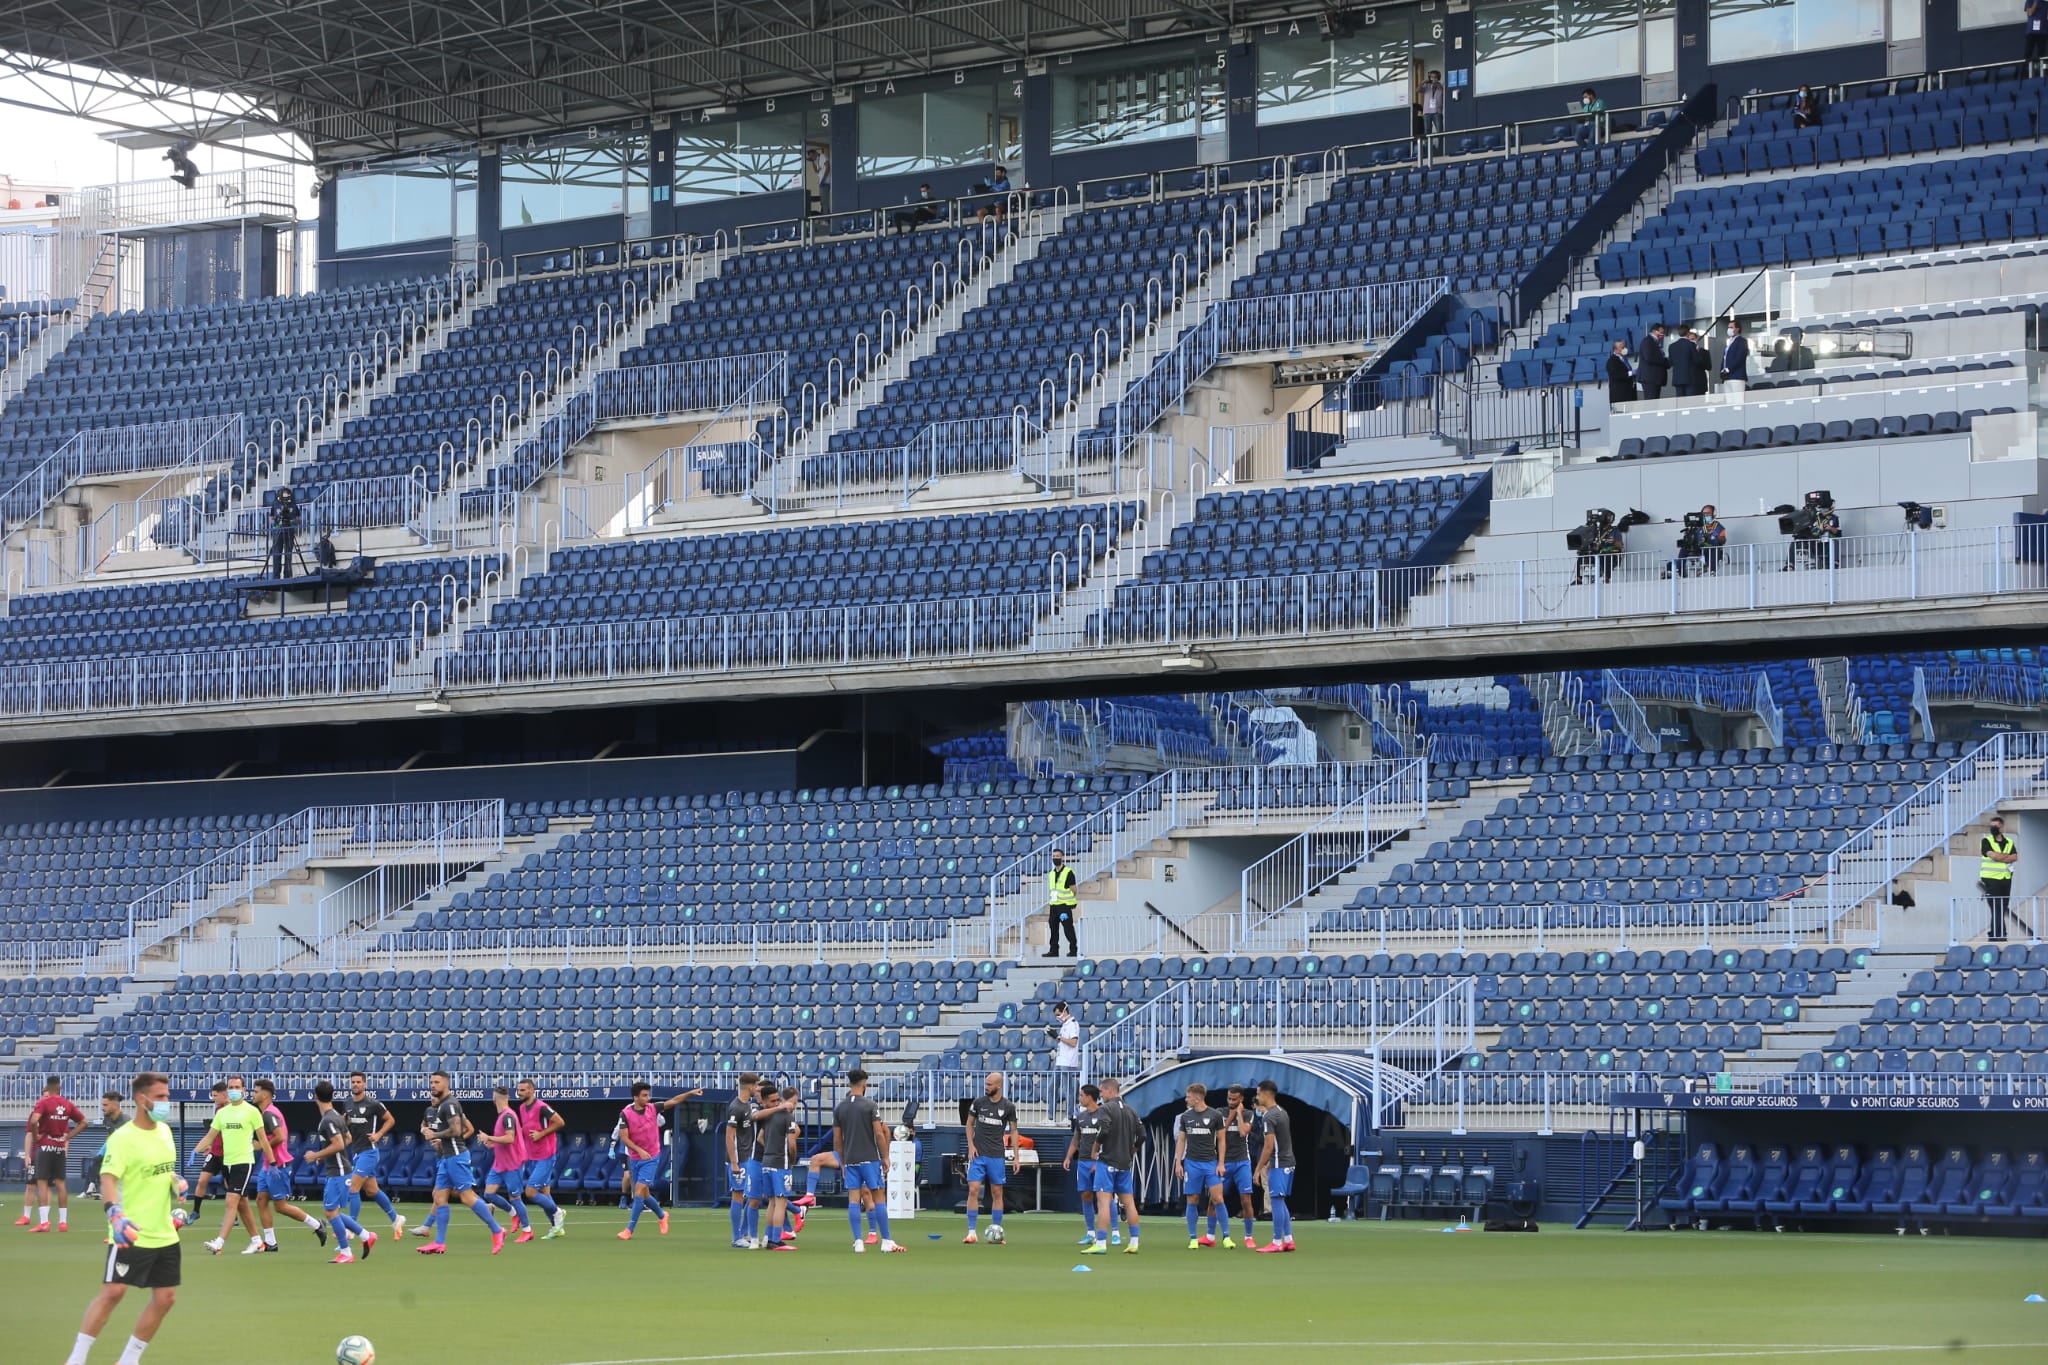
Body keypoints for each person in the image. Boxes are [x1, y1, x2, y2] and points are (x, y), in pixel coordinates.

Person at [63, 1073, 183, 1365]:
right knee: (113, 1292)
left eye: (167, 1096)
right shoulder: (123, 1138)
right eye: (161, 1097)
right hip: (130, 1229)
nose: (167, 1102)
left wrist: (175, 1180)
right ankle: (76, 1359)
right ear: (142, 1100)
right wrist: (113, 1214)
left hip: (164, 1231)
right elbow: (108, 1179)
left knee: (166, 1298)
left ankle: (129, 1360)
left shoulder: (165, 1132)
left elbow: (163, 1170)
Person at [416, 1069, 505, 1255]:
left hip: (456, 1156)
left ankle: (497, 1230)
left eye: (437, 1082)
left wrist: (436, 1135)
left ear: (446, 1084)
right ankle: (439, 1242)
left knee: (467, 1196)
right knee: (440, 1197)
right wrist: (437, 1137)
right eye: (431, 1082)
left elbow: (456, 1131)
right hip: (446, 1157)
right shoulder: (439, 1106)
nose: (433, 1085)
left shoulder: (450, 1104)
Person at [249, 1079, 326, 1252]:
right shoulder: (265, 1113)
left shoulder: (269, 1114)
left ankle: (317, 1225)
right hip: (268, 1165)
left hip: (279, 1165)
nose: (253, 1094)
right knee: (261, 1200)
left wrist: (261, 1145)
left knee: (281, 1207)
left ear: (265, 1094)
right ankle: (271, 1242)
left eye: (256, 1091)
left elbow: (280, 1137)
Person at [831, 1068, 901, 1254]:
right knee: (879, 1198)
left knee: (854, 1200)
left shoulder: (840, 1108)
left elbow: (837, 1140)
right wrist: (885, 1156)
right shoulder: (870, 1105)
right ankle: (886, 1240)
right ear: (865, 1084)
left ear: (849, 1084)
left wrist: (843, 1162)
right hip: (870, 1159)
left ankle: (858, 1241)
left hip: (851, 1160)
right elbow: (879, 1133)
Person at [308, 1082, 374, 1265]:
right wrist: (325, 1154)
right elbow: (348, 1139)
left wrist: (316, 1155)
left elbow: (338, 1144)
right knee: (333, 1211)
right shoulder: (337, 1116)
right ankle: (366, 1235)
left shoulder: (328, 1120)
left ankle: (346, 1252)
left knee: (330, 1212)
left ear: (316, 1097)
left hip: (338, 1172)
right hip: (340, 1169)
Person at [200, 1076, 265, 1255]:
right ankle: (258, 1241)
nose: (234, 1090)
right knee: (242, 1203)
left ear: (244, 1090)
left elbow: (263, 1139)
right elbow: (211, 1135)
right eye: (231, 1087)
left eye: (237, 1087)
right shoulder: (222, 1113)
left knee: (231, 1201)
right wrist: (196, 1150)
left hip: (243, 1162)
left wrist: (272, 1159)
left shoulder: (252, 1111)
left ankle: (219, 1243)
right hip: (227, 1162)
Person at [341, 1072, 406, 1239]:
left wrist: (378, 1135)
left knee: (353, 1188)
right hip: (357, 1152)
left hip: (369, 1152)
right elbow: (348, 1122)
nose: (355, 1084)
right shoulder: (347, 1103)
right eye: (353, 1082)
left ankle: (351, 1228)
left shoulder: (373, 1104)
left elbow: (390, 1120)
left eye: (358, 1082)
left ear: (364, 1084)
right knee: (371, 1190)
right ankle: (396, 1218)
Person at [21, 1076, 86, 1232]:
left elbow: (34, 1121)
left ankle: (44, 1222)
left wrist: (37, 1136)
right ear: (59, 1088)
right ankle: (63, 1222)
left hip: (45, 1147)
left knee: (42, 1183)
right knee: (60, 1184)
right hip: (59, 1147)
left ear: (47, 1089)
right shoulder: (67, 1104)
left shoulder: (43, 1103)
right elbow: (84, 1122)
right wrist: (68, 1137)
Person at [962, 1071, 1018, 1244]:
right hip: (978, 1155)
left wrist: (1016, 1157)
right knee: (973, 1189)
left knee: (997, 1192)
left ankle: (996, 1230)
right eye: (985, 1084)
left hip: (996, 1155)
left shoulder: (1008, 1107)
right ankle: (971, 1232)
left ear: (998, 1086)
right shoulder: (978, 1103)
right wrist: (971, 1146)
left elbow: (1014, 1131)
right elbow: (969, 1124)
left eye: (989, 1085)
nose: (986, 1087)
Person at [1091, 1077, 1142, 1254]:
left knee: (1104, 1203)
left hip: (1108, 1161)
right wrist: (1132, 1150)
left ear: (1110, 1091)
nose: (1101, 1095)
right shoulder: (1131, 1110)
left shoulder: (1106, 1108)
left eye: (1102, 1092)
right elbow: (1142, 1135)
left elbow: (1104, 1130)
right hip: (1124, 1163)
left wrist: (1096, 1147)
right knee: (1129, 1203)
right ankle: (1134, 1242)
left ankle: (1101, 1243)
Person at [1174, 1083, 1227, 1250]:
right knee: (1193, 1199)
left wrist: (1220, 1163)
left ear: (1197, 1098)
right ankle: (1193, 1238)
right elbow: (1182, 1140)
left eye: (1188, 1096)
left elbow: (1221, 1139)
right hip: (1192, 1163)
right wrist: (1178, 1163)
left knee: (1218, 1198)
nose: (1186, 1099)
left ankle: (1226, 1236)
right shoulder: (1186, 1117)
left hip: (1211, 1163)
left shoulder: (1215, 1115)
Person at [616, 1083, 671, 1241]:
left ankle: (629, 1229)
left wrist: (690, 1093)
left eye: (648, 1095)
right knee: (645, 1194)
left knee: (639, 1191)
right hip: (635, 1157)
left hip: (652, 1156)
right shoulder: (625, 1114)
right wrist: (638, 1150)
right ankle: (662, 1215)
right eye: (644, 1095)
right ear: (636, 1097)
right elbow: (624, 1137)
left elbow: (673, 1102)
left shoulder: (653, 1108)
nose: (648, 1098)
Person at [747, 1084, 799, 1250]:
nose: (777, 1103)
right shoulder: (786, 1116)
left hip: (766, 1162)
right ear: (765, 1101)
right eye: (774, 1101)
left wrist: (770, 1146)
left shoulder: (768, 1117)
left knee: (772, 1202)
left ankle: (769, 1237)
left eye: (779, 1100)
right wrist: (791, 1159)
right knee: (781, 1202)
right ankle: (776, 1239)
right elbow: (791, 1144)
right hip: (780, 1163)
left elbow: (761, 1138)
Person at [479, 1086, 532, 1242]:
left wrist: (490, 1137)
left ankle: (528, 1230)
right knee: (489, 1193)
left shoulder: (508, 1116)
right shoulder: (503, 1115)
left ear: (494, 1099)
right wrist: (492, 1143)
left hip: (513, 1163)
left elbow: (510, 1138)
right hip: (500, 1162)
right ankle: (513, 1214)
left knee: (515, 1197)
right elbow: (505, 1140)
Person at [515, 1078, 566, 1240]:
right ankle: (556, 1227)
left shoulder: (542, 1107)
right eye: (518, 1090)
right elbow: (525, 1129)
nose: (519, 1093)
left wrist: (541, 1134)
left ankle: (558, 1212)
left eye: (523, 1090)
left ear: (531, 1090)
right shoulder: (522, 1108)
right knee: (544, 1191)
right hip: (533, 1155)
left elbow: (560, 1122)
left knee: (530, 1192)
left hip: (546, 1155)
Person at [1252, 1079, 1296, 1253]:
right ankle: (1288, 1239)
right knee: (1280, 1200)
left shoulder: (1269, 1116)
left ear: (1265, 1093)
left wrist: (1258, 1169)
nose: (1257, 1097)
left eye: (1258, 1093)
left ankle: (1277, 1241)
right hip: (1288, 1162)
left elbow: (1269, 1146)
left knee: (1276, 1202)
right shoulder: (1282, 1112)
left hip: (1279, 1163)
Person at [1064, 1084, 1109, 1248]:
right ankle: (1090, 1232)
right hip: (1083, 1161)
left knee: (1103, 1197)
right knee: (1085, 1195)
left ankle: (1112, 1232)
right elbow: (1076, 1140)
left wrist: (1100, 1160)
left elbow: (1108, 1139)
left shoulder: (1103, 1114)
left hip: (1099, 1162)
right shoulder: (1081, 1117)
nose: (1079, 1098)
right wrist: (1068, 1157)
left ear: (1090, 1097)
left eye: (1081, 1095)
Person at [724, 1073, 762, 1248]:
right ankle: (736, 1236)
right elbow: (729, 1137)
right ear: (751, 1086)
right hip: (739, 1158)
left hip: (749, 1157)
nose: (759, 1088)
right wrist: (734, 1162)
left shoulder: (748, 1105)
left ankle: (744, 1233)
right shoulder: (736, 1107)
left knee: (754, 1194)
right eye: (757, 1085)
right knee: (738, 1195)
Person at [1222, 1085, 1261, 1250]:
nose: (1231, 1101)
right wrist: (1232, 1113)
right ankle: (1210, 1235)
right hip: (1223, 1162)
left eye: (1234, 1099)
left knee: (1246, 1199)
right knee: (1215, 1199)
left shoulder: (1249, 1114)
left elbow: (1243, 1132)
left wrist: (1238, 1113)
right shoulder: (1219, 1112)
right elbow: (1221, 1132)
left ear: (1241, 1099)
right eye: (1229, 1098)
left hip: (1242, 1162)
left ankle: (1249, 1236)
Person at [1981, 815, 2021, 941]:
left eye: (1996, 826)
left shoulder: (2009, 842)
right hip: (1991, 879)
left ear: (2002, 827)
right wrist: (2005, 857)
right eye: (1991, 826)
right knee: (1995, 907)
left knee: (2002, 908)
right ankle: (1998, 935)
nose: (1993, 828)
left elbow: (2015, 857)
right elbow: (1993, 856)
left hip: (2006, 878)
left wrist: (2000, 857)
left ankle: (1997, 934)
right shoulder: (1986, 841)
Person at [82, 1091, 125, 1200]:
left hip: (123, 1151)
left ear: (115, 1105)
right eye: (102, 1105)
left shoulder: (126, 1121)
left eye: (105, 1105)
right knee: (96, 1160)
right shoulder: (107, 1119)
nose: (102, 1108)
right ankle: (91, 1187)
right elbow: (110, 1135)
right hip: (111, 1144)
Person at [1045, 847, 1080, 958]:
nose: (1055, 858)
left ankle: (1073, 950)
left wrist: (1070, 900)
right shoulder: (1051, 873)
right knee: (1053, 928)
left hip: (1064, 906)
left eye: (1057, 856)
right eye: (1054, 856)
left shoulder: (1068, 872)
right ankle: (1054, 950)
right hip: (1054, 905)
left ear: (1062, 857)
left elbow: (1074, 889)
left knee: (1068, 928)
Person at [1668, 327, 1706, 398]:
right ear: (1688, 333)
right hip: (1690, 378)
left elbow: (1670, 362)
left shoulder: (1672, 346)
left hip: (1677, 379)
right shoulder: (1690, 345)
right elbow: (1697, 361)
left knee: (1680, 402)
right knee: (1690, 402)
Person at [1719, 320, 1750, 398]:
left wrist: (1728, 369)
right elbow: (1725, 358)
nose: (1729, 329)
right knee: (1729, 403)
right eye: (1728, 327)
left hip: (1737, 377)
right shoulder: (1730, 342)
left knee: (1738, 402)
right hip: (1727, 377)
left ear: (1737, 329)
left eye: (1731, 327)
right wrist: (1722, 370)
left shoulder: (1742, 341)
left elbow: (1740, 358)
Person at [1639, 323, 1669, 401]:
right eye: (1661, 332)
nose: (1662, 334)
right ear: (1654, 331)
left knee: (1655, 402)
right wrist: (1665, 361)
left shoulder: (1655, 342)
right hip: (1650, 378)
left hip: (1655, 378)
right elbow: (1649, 358)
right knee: (1651, 402)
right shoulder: (1647, 341)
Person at [1050, 1002, 1081, 1070]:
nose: (1057, 1017)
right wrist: (1055, 1036)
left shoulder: (1073, 1024)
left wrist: (1059, 1037)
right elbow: (1062, 1041)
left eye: (1058, 1014)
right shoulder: (1064, 1024)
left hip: (1068, 1062)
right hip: (1060, 1060)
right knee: (1054, 1081)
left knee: (1066, 1081)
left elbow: (1073, 1043)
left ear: (1065, 1011)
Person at [1698, 505, 1727, 575]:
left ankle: (1712, 570)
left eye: (1708, 513)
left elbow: (1723, 540)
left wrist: (1714, 537)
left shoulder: (1718, 527)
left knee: (1713, 547)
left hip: (1712, 548)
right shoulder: (1700, 527)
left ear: (1713, 514)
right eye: (1704, 514)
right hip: (1700, 548)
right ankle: (1679, 570)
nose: (1706, 515)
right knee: (1685, 548)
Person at [1606, 339, 1637, 405]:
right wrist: (1631, 373)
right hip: (1620, 395)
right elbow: (1616, 375)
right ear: (1615, 349)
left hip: (1629, 392)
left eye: (1625, 347)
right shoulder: (1612, 361)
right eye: (1622, 347)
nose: (1624, 349)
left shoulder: (1624, 359)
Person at [1420, 70, 1446, 140]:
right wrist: (1423, 82)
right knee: (1427, 132)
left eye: (1435, 77)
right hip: (1427, 112)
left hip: (1437, 112)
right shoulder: (1426, 86)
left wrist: (1437, 84)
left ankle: (1441, 149)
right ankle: (1429, 149)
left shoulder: (1441, 86)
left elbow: (1444, 92)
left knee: (1440, 132)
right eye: (1432, 77)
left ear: (1438, 77)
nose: (1433, 79)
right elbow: (1418, 90)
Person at [2027, 0, 2047, 64]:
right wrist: (2035, 2)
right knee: (2028, 53)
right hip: (2031, 31)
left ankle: (2042, 72)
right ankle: (2023, 73)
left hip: (2042, 32)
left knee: (2042, 54)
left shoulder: (2045, 3)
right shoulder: (2029, 2)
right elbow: (2030, 13)